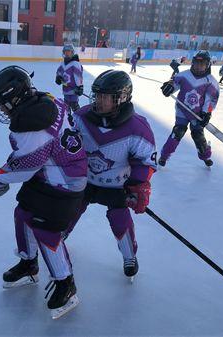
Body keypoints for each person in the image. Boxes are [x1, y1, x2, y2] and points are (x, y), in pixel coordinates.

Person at [0, 66, 87, 319]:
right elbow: (31, 156)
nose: (2, 110)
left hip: (64, 181)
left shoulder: (33, 124)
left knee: (44, 228)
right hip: (53, 172)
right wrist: (10, 167)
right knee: (23, 213)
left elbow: (27, 165)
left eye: (4, 104)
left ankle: (66, 285)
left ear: (17, 97)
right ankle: (29, 264)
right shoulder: (47, 99)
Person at [64, 70, 157, 280]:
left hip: (117, 186)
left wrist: (138, 185)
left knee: (120, 220)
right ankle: (61, 233)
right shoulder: (79, 117)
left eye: (107, 97)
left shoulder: (138, 127)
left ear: (122, 98)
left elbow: (144, 161)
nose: (99, 101)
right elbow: (66, 145)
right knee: (70, 209)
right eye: (97, 95)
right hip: (84, 181)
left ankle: (129, 255)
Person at [159, 50, 220, 167]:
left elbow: (211, 100)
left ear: (207, 65)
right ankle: (164, 156)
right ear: (193, 63)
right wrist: (169, 87)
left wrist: (206, 113)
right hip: (182, 110)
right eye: (197, 63)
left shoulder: (211, 81)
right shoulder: (184, 75)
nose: (199, 66)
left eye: (202, 64)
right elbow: (174, 83)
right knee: (178, 131)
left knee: (198, 135)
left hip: (198, 113)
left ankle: (205, 156)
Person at [55, 44, 84, 112]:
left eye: (69, 52)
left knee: (74, 106)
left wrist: (80, 87)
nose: (67, 53)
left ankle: (78, 119)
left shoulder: (75, 64)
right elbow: (59, 72)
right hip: (66, 90)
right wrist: (58, 78)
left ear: (72, 53)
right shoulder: (63, 64)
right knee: (66, 108)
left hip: (74, 90)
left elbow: (78, 76)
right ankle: (67, 120)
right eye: (65, 52)